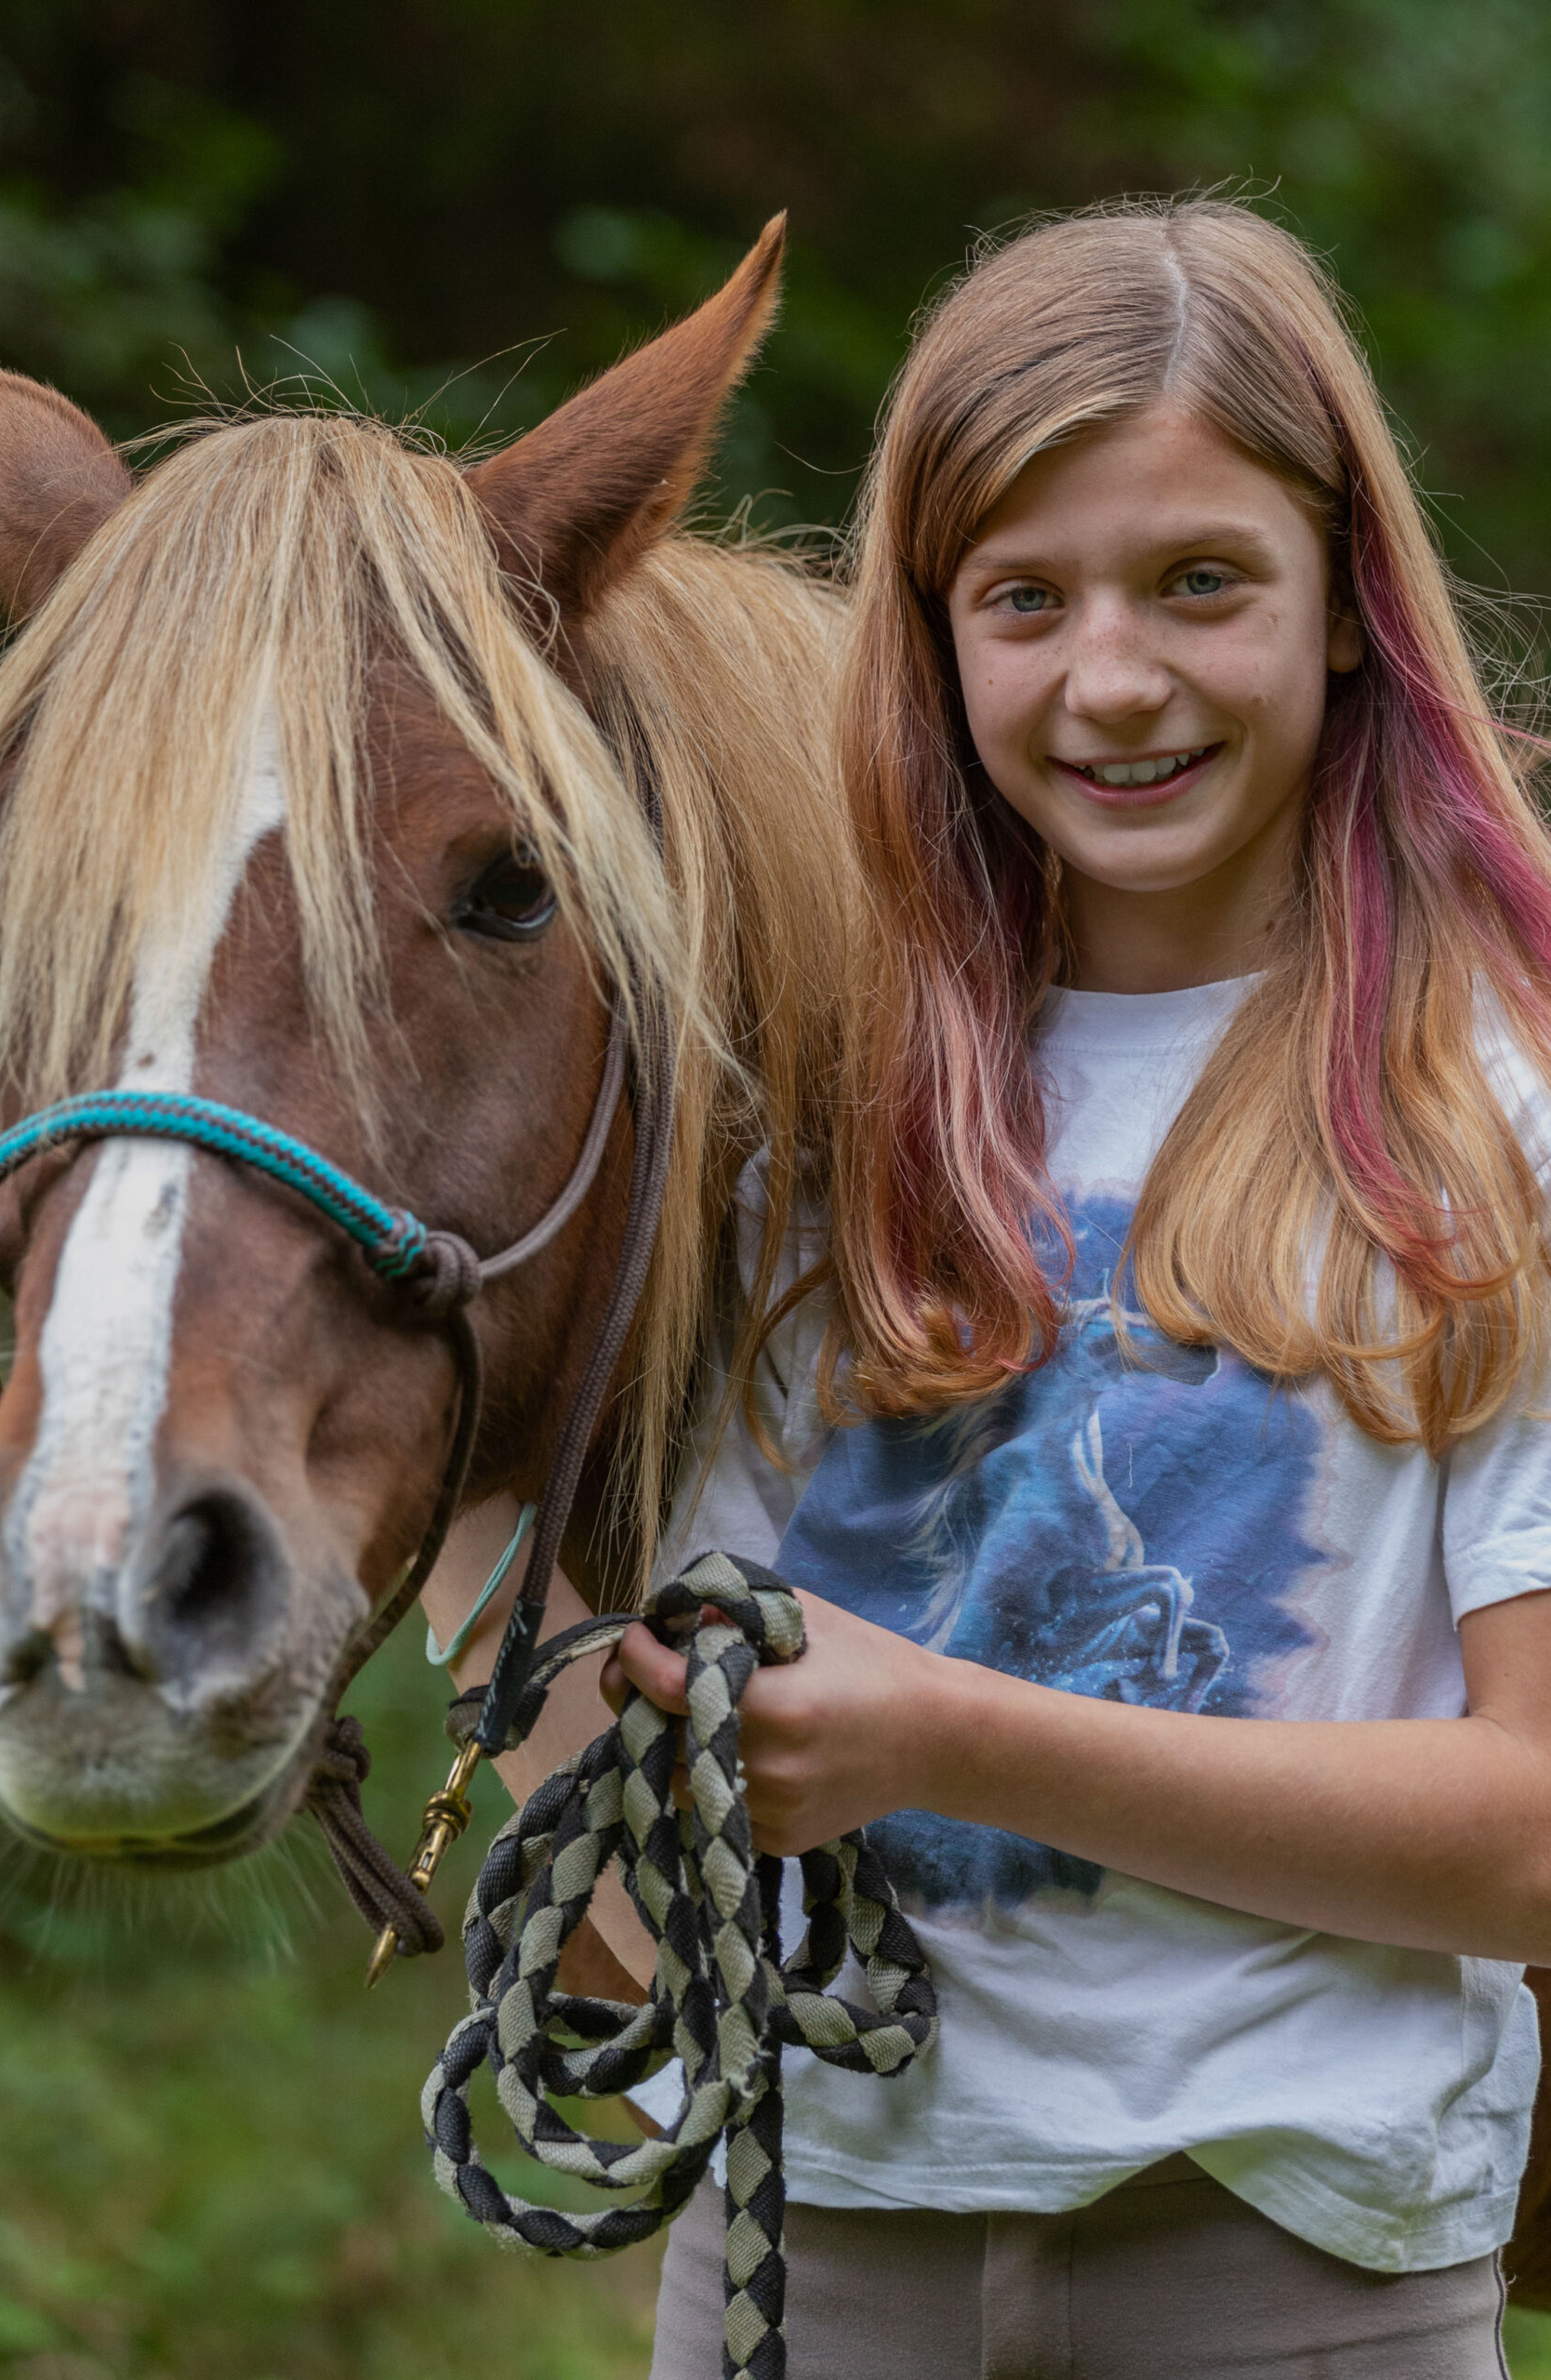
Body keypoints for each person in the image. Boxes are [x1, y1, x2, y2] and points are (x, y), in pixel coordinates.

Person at [423, 197, 1551, 2376]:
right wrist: (484, 1499)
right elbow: (638, 1784)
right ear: (931, 640)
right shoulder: (781, 1110)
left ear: (1344, 608)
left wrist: (951, 1734)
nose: (1110, 678)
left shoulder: (1488, 1113)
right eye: (1021, 601)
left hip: (1292, 2259)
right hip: (799, 2239)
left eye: (1199, 580)